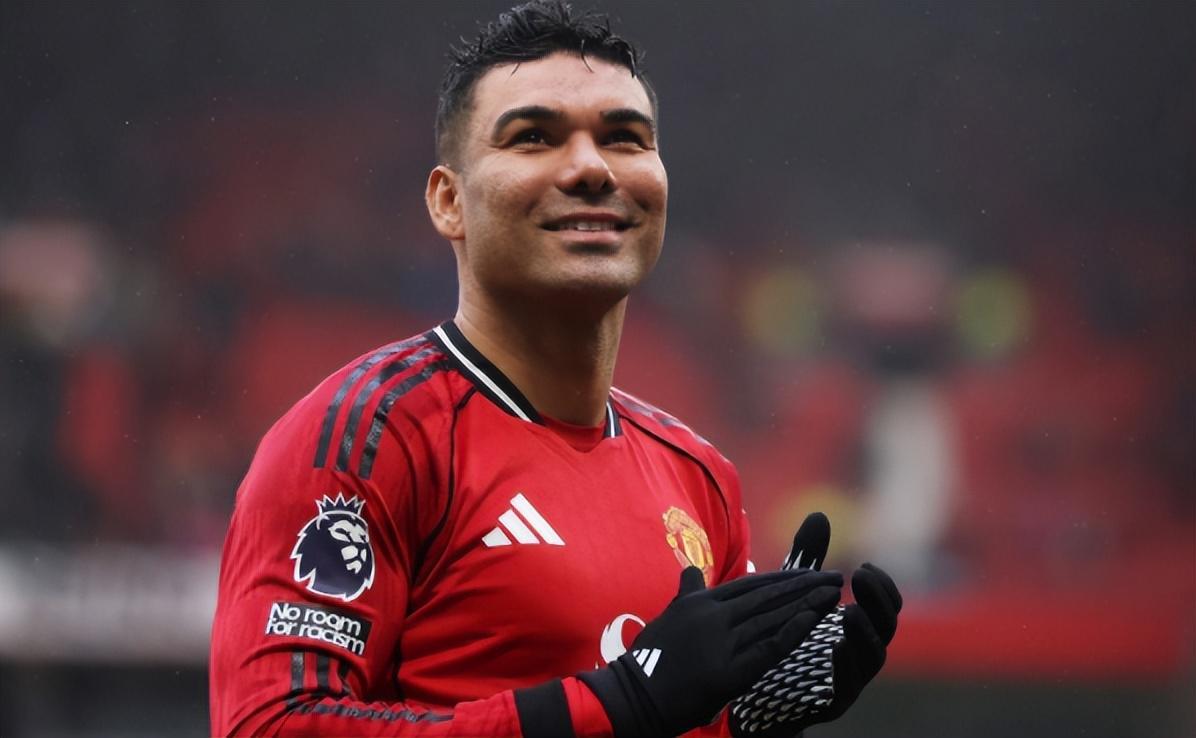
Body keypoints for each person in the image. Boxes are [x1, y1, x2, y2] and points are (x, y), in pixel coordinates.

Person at [208, 2, 900, 737]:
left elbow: (660, 712)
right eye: (534, 137)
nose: (591, 167)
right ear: (448, 201)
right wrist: (623, 699)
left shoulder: (699, 476)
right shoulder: (368, 436)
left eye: (624, 137)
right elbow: (270, 726)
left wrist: (740, 718)